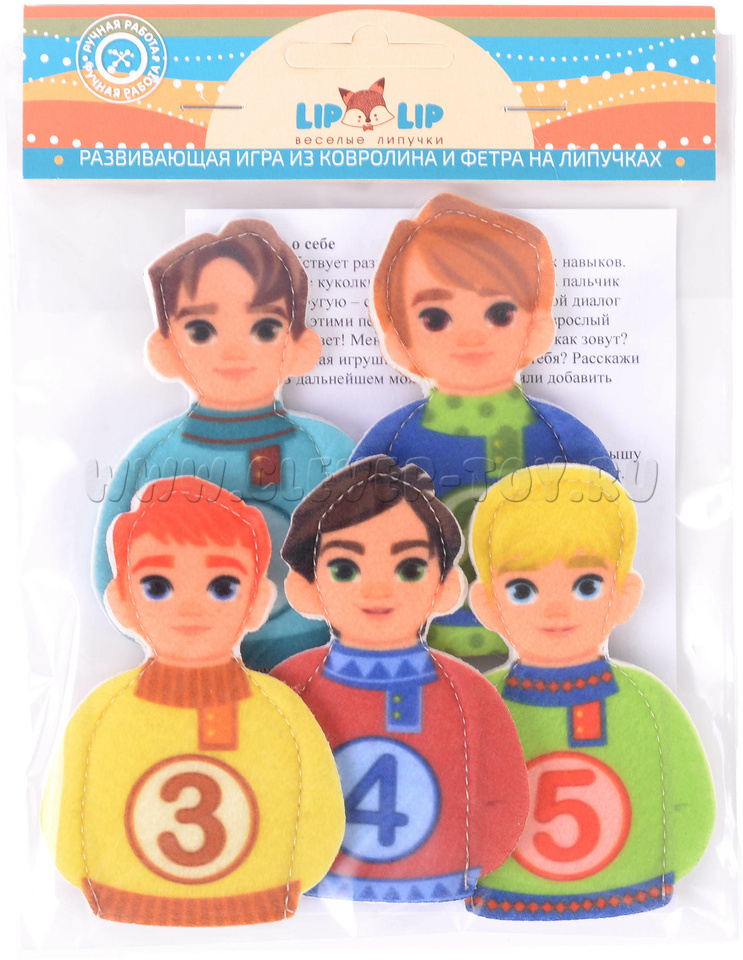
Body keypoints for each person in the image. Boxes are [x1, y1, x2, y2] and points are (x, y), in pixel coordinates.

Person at [43, 477, 345, 926]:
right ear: (122, 601)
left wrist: (295, 874)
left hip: (255, 898)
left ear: (258, 601)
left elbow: (317, 807)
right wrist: (84, 869)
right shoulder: (104, 714)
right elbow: (70, 814)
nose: (189, 609)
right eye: (157, 586)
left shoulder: (278, 714)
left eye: (222, 586)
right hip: (128, 896)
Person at [352, 194, 616, 661]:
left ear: (537, 327)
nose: (471, 336)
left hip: (546, 638)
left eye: (500, 314)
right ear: (399, 340)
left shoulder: (556, 436)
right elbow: (349, 527)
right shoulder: (395, 440)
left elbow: (608, 520)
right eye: (435, 318)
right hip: (425, 644)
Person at [92, 219, 354, 670]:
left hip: (312, 647)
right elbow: (110, 566)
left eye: (265, 328)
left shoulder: (324, 450)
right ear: (166, 348)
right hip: (187, 651)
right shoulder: (154, 456)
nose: (233, 351)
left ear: (299, 345)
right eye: (201, 331)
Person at [271, 456, 529, 903]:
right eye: (344, 569)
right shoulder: (292, 685)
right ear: (307, 590)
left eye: (409, 569)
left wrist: (468, 866)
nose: (377, 590)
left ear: (445, 587)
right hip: (317, 895)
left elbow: (505, 795)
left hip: (440, 887)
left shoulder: (466, 692)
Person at [466, 464, 716, 920]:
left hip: (632, 887)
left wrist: (668, 858)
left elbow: (689, 800)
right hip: (505, 890)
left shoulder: (645, 702)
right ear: (488, 606)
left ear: (624, 595)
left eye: (586, 585)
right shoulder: (483, 703)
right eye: (522, 589)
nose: (556, 609)